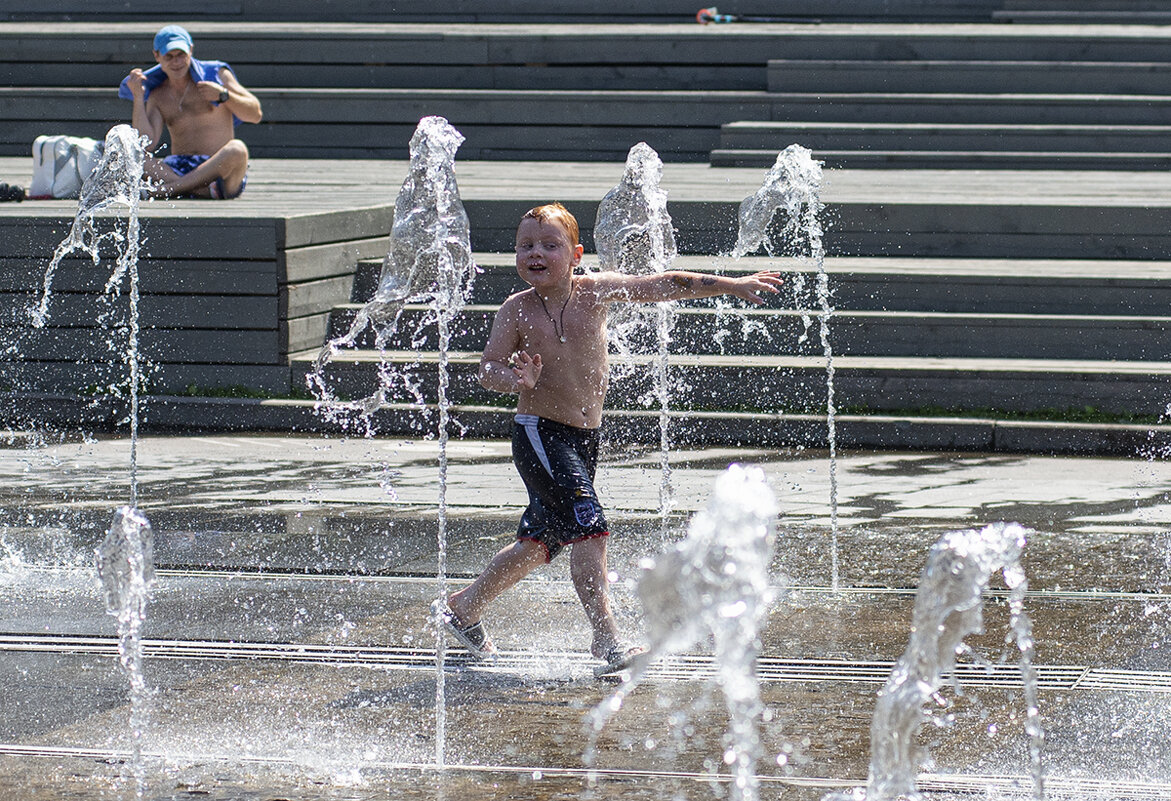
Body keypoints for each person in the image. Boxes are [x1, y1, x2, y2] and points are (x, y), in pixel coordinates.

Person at [433, 202, 784, 676]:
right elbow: (488, 370)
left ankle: (464, 607)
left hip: (583, 439)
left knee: (540, 543)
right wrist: (516, 379)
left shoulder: (594, 294)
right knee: (591, 528)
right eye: (526, 246)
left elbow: (665, 284)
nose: (536, 253)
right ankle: (607, 641)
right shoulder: (515, 311)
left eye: (549, 245)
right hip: (540, 434)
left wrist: (731, 286)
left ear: (576, 254)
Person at [119, 25, 262, 199]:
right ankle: (194, 189)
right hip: (178, 167)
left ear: (191, 50)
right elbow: (145, 144)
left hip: (218, 170)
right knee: (130, 155)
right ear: (157, 56)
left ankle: (170, 190)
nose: (176, 62)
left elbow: (255, 114)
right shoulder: (158, 94)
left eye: (181, 55)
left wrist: (224, 95)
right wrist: (139, 98)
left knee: (237, 150)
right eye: (169, 56)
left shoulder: (217, 75)